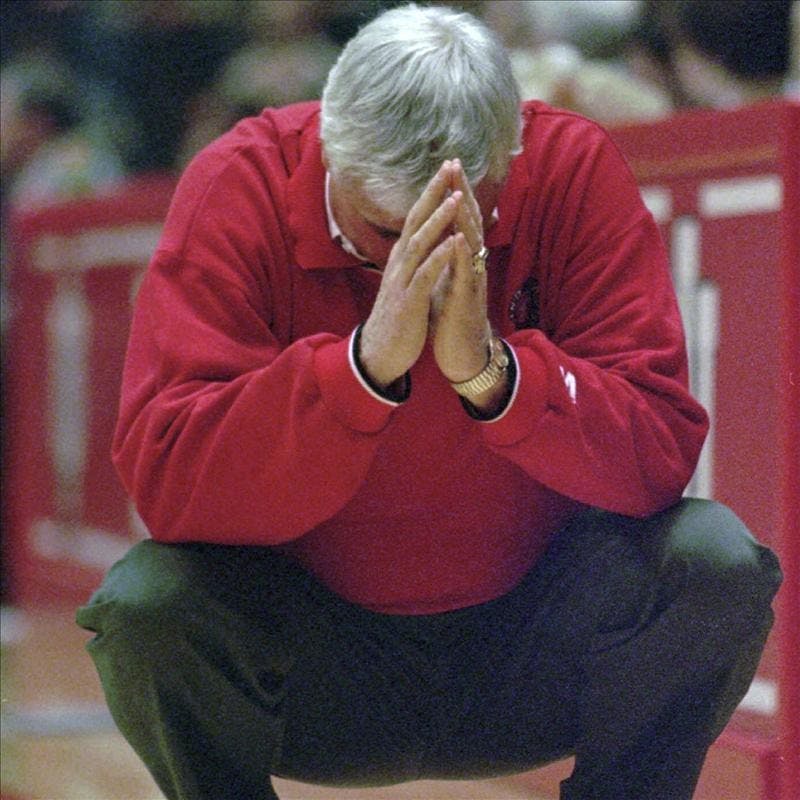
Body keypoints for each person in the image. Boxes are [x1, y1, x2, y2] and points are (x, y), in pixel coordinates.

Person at [76, 5, 782, 799]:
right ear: (327, 156)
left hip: (529, 654)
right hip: (318, 677)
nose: (411, 261)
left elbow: (659, 452)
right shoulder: (239, 181)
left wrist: (495, 379)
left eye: (455, 225)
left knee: (713, 561)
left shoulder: (570, 168)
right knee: (149, 607)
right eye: (382, 232)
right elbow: (167, 481)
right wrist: (359, 373)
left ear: (506, 161)